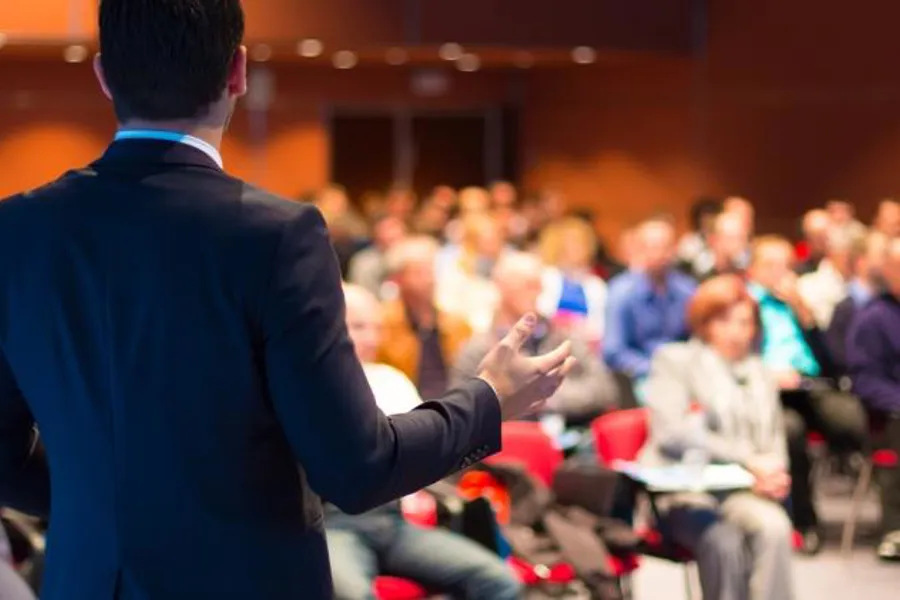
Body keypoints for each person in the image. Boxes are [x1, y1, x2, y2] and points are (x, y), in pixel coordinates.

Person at [0, 2, 574, 599]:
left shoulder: (17, 230)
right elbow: (356, 468)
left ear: (103, 75)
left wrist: (105, 508)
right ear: (238, 73)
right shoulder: (275, 236)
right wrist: (487, 400)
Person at [327, 285, 522, 599]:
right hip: (336, 525)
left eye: (377, 328)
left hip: (392, 522)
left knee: (499, 580)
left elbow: (432, 446)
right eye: (360, 327)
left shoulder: (390, 379)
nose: (373, 339)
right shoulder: (313, 390)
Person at [640, 275, 795, 600]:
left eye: (745, 323)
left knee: (774, 526)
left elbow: (775, 436)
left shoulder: (760, 371)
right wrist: (747, 459)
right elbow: (673, 433)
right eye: (725, 321)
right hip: (686, 489)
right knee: (725, 541)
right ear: (704, 322)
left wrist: (774, 473)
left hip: (744, 489)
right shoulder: (675, 361)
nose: (736, 332)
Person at [748, 236, 866, 552]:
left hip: (810, 386)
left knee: (853, 420)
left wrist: (805, 315)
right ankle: (803, 521)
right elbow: (738, 359)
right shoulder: (746, 304)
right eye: (770, 266)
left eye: (785, 266)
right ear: (753, 269)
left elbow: (831, 360)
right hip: (766, 394)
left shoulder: (799, 304)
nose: (779, 273)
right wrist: (768, 374)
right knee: (790, 433)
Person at [454, 253, 619, 431]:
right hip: (506, 446)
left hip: (570, 437)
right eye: (527, 285)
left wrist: (546, 396)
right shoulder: (479, 347)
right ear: (501, 287)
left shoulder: (563, 336)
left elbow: (605, 390)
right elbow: (462, 411)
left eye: (538, 284)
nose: (537, 291)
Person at [847, 236, 900, 561]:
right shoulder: (873, 317)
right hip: (888, 417)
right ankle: (895, 528)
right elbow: (865, 380)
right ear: (891, 271)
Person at [603, 218, 697, 393]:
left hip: (684, 372)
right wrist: (654, 369)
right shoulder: (620, 292)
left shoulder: (688, 289)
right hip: (641, 376)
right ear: (639, 250)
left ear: (674, 249)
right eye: (653, 247)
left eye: (666, 247)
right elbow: (613, 351)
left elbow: (698, 338)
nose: (660, 254)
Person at [377, 236, 472, 399]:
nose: (429, 279)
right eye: (419, 273)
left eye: (431, 271)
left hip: (452, 406)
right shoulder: (381, 323)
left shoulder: (457, 324)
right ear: (398, 279)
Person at [537, 217, 608, 347]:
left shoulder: (596, 285)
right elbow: (540, 313)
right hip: (547, 343)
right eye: (571, 242)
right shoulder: (544, 277)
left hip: (585, 348)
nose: (577, 248)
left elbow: (600, 327)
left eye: (582, 243)